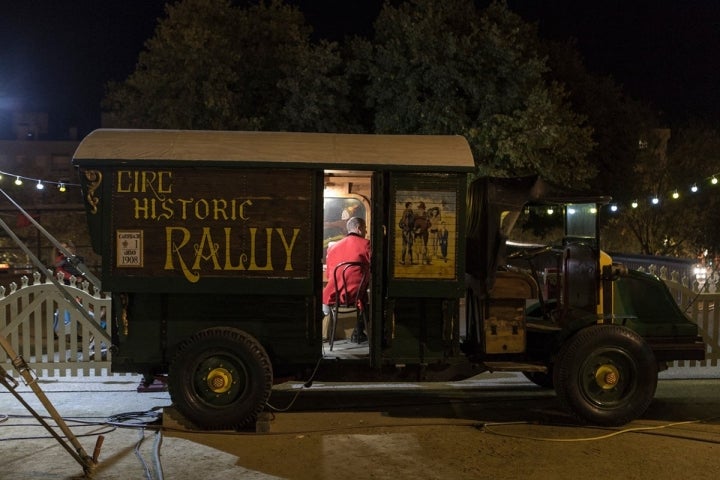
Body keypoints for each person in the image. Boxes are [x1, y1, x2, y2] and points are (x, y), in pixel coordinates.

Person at [322, 217, 371, 343]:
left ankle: (324, 336)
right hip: (356, 295)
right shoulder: (366, 244)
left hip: (333, 295)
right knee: (374, 300)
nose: (366, 232)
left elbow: (328, 275)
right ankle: (358, 332)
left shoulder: (332, 248)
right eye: (365, 229)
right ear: (359, 228)